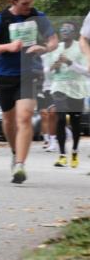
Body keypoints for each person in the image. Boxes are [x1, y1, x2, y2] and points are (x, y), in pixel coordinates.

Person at [0, 0, 58, 184]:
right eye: (24, 3)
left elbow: (53, 41)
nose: (28, 7)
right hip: (5, 75)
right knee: (8, 120)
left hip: (29, 72)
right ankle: (15, 152)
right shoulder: (0, 19)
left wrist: (43, 48)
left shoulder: (38, 17)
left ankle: (21, 166)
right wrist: (8, 46)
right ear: (13, 0)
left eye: (30, 2)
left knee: (24, 118)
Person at [44, 22, 88, 169]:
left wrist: (69, 62)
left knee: (76, 123)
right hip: (59, 87)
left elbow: (86, 71)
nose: (64, 32)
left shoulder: (80, 48)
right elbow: (46, 71)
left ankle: (74, 151)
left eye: (67, 30)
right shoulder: (56, 49)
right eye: (62, 30)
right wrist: (53, 67)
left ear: (74, 33)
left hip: (76, 88)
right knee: (61, 117)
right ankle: (62, 155)